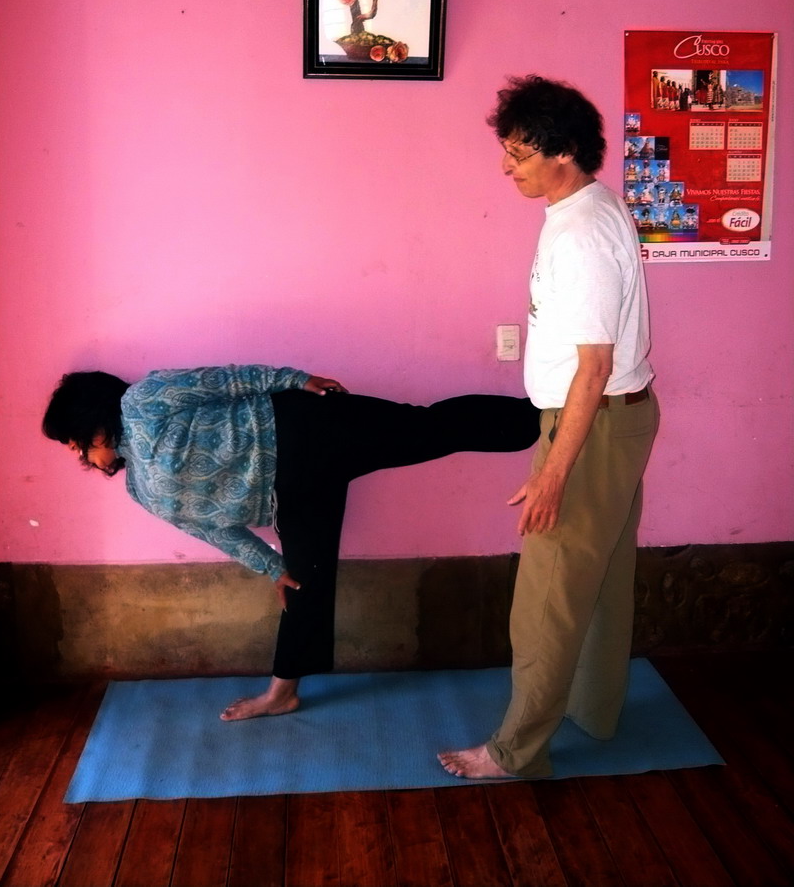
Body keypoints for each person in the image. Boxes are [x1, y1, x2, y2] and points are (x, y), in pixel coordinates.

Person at [43, 364, 540, 720]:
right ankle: (283, 693)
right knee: (303, 585)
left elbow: (225, 381)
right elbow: (214, 528)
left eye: (73, 439)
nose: (76, 452)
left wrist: (294, 379)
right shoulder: (138, 490)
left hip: (303, 426)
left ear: (92, 418)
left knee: (424, 428)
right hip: (292, 496)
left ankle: (537, 416)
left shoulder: (142, 400)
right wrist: (268, 565)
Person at [438, 74, 659, 779]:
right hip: (611, 420)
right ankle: (593, 710)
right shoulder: (584, 213)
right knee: (597, 579)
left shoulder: (583, 232)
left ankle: (514, 753)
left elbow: (593, 368)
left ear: (561, 151)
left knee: (547, 596)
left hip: (588, 423)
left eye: (518, 154)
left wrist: (551, 474)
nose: (507, 167)